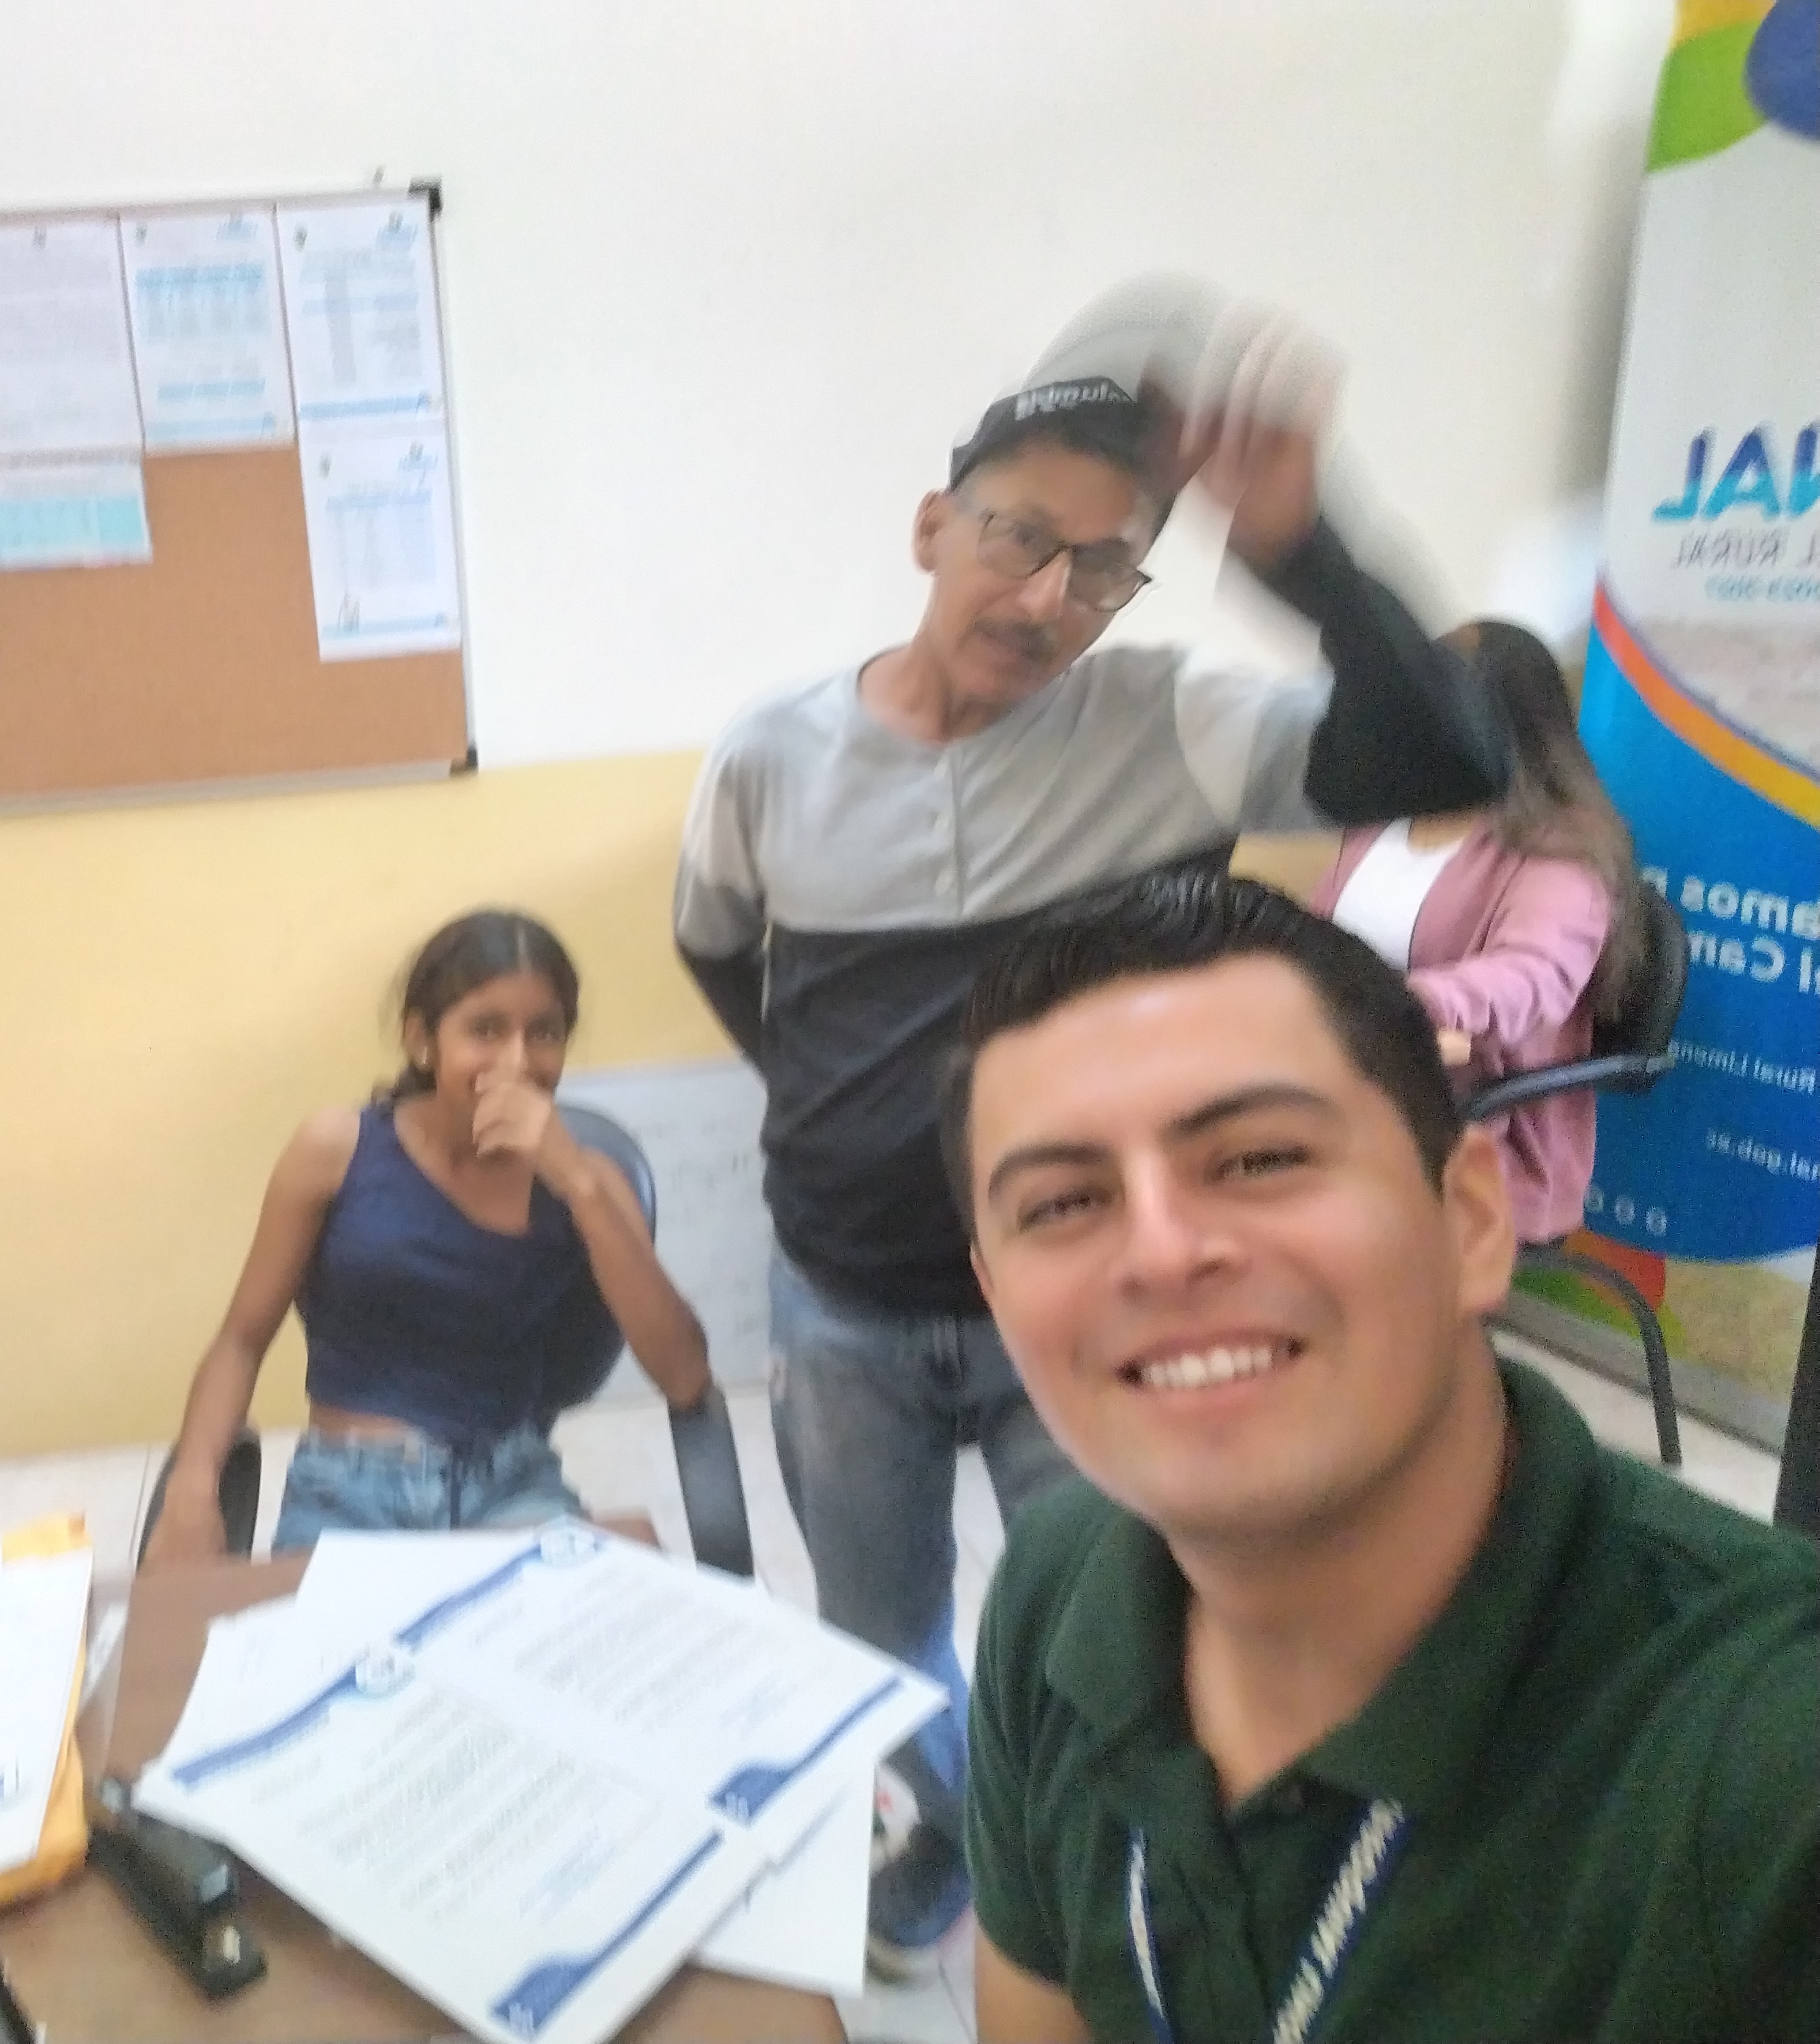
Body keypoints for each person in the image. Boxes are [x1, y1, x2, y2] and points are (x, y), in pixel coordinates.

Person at [672, 284, 1512, 1971]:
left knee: (1128, 1618)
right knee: (877, 1628)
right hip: (841, 1302)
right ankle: (951, 1841)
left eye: (1103, 567)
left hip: (1092, 1296)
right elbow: (715, 949)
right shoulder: (766, 755)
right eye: (1015, 539)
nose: (1047, 597)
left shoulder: (1167, 723)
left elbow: (1444, 751)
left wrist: (1301, 545)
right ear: (932, 527)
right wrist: (843, 1114)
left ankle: (1102, 1883)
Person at [944, 870, 1818, 2044]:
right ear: (998, 1300)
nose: (1160, 1254)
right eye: (1061, 1205)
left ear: (1471, 1218)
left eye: (1260, 1159)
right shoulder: (1057, 1593)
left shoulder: (1764, 1771)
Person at [140, 909, 715, 1564]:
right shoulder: (335, 1151)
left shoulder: (590, 1182)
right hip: (348, 1491)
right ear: (421, 1040)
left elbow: (686, 1377)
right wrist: (192, 1489)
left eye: (545, 1033)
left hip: (511, 1488)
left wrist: (579, 1186)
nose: (517, 1062)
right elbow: (240, 1342)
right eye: (485, 1030)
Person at [1313, 617, 1648, 1244]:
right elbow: (1313, 940)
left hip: (1472, 1127)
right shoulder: (1383, 822)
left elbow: (1529, 981)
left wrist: (1390, 1006)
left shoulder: (1561, 852)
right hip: (1359, 1082)